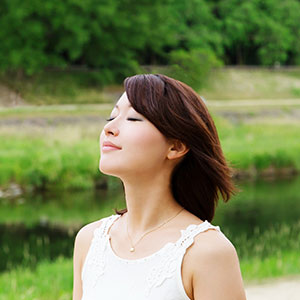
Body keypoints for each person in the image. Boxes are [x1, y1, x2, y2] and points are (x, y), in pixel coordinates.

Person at [72, 74, 246, 300]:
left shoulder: (207, 252)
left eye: (133, 118)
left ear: (176, 146)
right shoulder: (90, 240)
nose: (109, 129)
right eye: (111, 116)